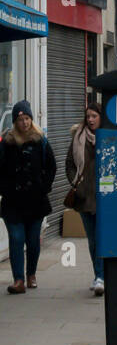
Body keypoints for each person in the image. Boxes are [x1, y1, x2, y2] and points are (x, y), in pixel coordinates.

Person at [0, 100, 56, 294]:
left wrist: (44, 187)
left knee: (32, 241)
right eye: (20, 119)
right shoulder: (7, 142)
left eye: (27, 119)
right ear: (15, 122)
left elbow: (51, 166)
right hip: (13, 202)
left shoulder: (40, 140)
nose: (24, 123)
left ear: (31, 119)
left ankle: (31, 274)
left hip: (36, 201)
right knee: (16, 238)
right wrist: (5, 190)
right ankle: (18, 280)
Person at [65, 103, 104, 295]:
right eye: (88, 116)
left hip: (104, 197)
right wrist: (76, 184)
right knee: (93, 240)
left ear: (101, 117)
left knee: (103, 237)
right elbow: (69, 164)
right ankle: (98, 275)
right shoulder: (78, 137)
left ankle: (103, 276)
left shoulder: (107, 137)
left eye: (94, 116)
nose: (90, 120)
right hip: (84, 197)